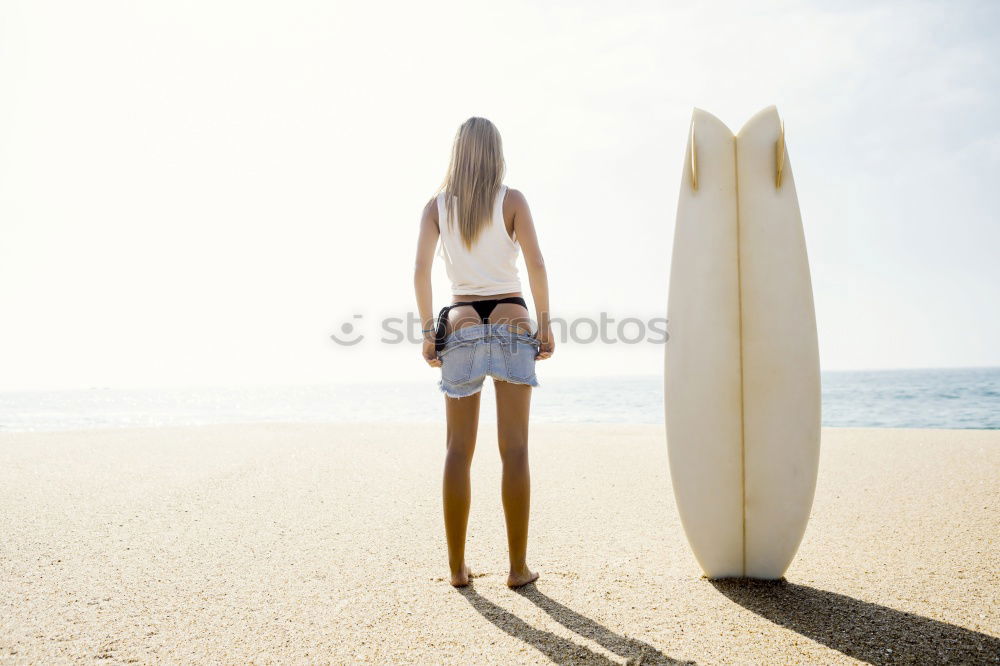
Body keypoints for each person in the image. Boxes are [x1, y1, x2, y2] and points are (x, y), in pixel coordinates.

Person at [413, 117, 554, 588]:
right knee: (514, 450)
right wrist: (546, 324)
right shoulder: (511, 200)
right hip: (513, 315)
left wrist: (427, 332)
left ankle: (457, 570)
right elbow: (535, 263)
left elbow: (419, 274)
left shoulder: (436, 207)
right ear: (495, 153)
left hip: (462, 318)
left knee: (457, 450)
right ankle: (517, 569)